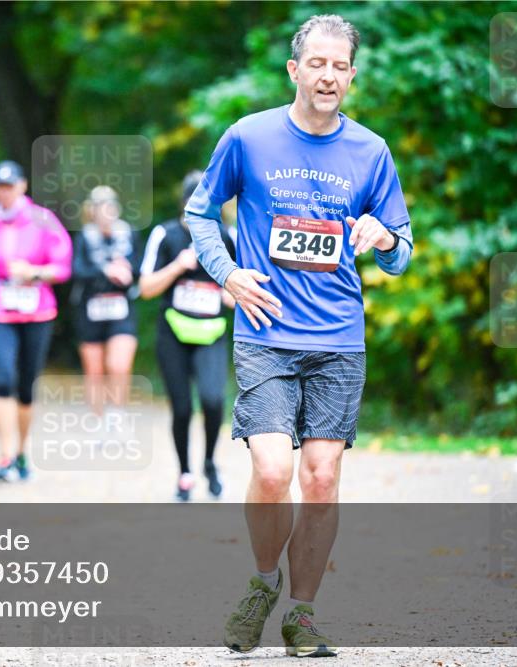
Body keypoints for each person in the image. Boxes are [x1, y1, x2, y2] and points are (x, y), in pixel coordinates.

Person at [185, 14, 414, 658]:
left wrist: (385, 238)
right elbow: (200, 211)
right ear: (294, 70)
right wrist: (227, 273)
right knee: (270, 467)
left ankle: (301, 614)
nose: (328, 76)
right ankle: (262, 583)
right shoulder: (249, 138)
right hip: (265, 330)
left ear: (352, 75)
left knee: (320, 479)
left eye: (340, 66)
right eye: (317, 63)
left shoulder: (371, 151)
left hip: (339, 337)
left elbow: (402, 251)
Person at [0, 160, 72, 482]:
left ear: (23, 186)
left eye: (10, 186)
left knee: (25, 385)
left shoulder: (43, 219)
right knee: (4, 377)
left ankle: (22, 452)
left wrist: (34, 272)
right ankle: (4, 455)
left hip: (38, 310)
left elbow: (63, 267)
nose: (4, 193)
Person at [139, 172, 236, 502]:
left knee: (212, 401)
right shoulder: (165, 234)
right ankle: (184, 473)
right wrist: (178, 267)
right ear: (186, 203)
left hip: (212, 334)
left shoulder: (227, 236)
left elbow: (242, 289)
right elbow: (146, 288)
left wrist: (231, 295)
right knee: (181, 409)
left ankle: (209, 462)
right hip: (174, 335)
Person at [71, 185, 142, 419]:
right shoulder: (83, 237)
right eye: (101, 207)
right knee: (94, 371)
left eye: (110, 206)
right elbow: (77, 270)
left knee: (119, 365)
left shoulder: (129, 234)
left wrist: (126, 270)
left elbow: (141, 268)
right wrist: (106, 270)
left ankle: (116, 416)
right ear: (92, 211)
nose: (106, 212)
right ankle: (97, 419)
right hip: (90, 309)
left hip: (121, 308)